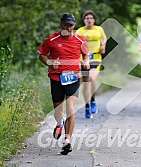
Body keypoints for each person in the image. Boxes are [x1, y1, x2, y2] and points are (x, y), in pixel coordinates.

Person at [38, 13, 90, 155]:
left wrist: (85, 61)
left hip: (73, 77)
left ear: (74, 25)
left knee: (70, 107)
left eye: (71, 25)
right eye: (66, 24)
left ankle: (67, 140)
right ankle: (59, 123)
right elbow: (41, 54)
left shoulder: (80, 39)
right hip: (56, 78)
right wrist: (49, 62)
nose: (68, 27)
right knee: (58, 110)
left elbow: (85, 54)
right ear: (61, 24)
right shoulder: (52, 39)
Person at [76, 10, 107, 119]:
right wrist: (83, 41)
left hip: (96, 58)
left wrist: (103, 46)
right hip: (84, 59)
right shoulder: (80, 31)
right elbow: (75, 44)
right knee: (85, 83)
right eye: (86, 18)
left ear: (94, 20)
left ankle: (93, 100)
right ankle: (87, 105)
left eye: (91, 18)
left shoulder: (99, 29)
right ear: (84, 20)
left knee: (92, 79)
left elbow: (104, 38)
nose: (89, 20)